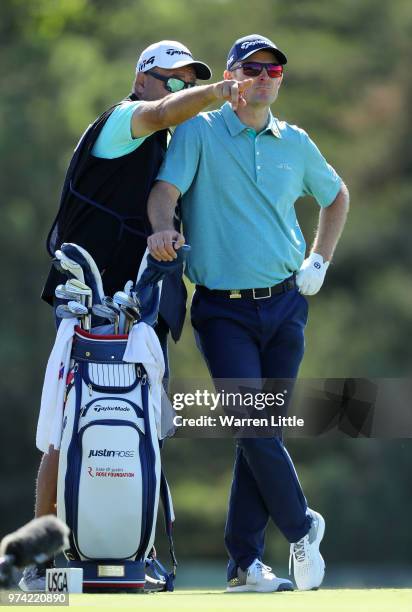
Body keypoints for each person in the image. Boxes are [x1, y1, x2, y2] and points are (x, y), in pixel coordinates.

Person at [20, 40, 251, 592]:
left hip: (134, 305)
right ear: (143, 78)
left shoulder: (164, 148)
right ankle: (40, 561)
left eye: (186, 80)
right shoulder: (126, 119)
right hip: (83, 300)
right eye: (171, 78)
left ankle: (131, 546)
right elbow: (163, 112)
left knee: (139, 423)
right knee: (64, 426)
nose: (177, 89)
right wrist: (217, 91)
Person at [147, 34, 350, 593]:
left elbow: (336, 197)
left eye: (275, 70)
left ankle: (242, 566)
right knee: (253, 424)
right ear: (233, 77)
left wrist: (320, 260)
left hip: (287, 304)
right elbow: (164, 191)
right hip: (223, 309)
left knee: (259, 435)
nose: (265, 77)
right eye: (253, 68)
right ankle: (302, 525)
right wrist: (163, 227)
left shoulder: (296, 141)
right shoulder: (199, 131)